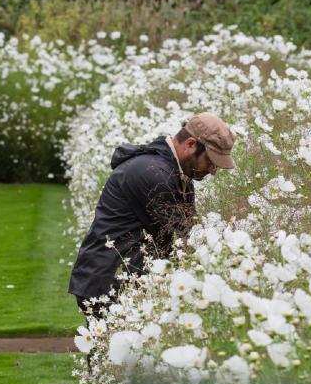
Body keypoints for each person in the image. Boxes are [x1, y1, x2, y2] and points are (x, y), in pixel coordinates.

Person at [68, 112, 235, 319]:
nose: (213, 171)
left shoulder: (176, 174)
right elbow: (181, 240)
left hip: (125, 279)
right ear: (191, 144)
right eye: (210, 161)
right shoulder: (153, 174)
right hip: (110, 284)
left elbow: (189, 235)